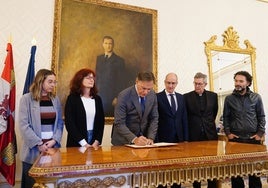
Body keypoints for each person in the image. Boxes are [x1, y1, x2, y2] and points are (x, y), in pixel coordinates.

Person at [18, 69, 64, 188]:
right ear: (40, 81)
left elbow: (59, 123)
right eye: (50, 82)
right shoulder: (26, 99)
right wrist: (39, 143)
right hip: (33, 150)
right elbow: (24, 125)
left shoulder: (55, 99)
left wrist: (54, 140)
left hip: (51, 150)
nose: (53, 85)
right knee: (31, 184)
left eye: (55, 82)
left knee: (50, 184)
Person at [223, 71, 265, 188]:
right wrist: (228, 133)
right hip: (235, 140)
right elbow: (225, 117)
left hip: (253, 139)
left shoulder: (256, 97)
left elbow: (261, 116)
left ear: (248, 83)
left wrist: (260, 133)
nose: (238, 83)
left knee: (254, 172)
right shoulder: (229, 99)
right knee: (236, 173)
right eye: (236, 81)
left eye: (241, 81)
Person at [184, 72, 218, 188]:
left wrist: (206, 125)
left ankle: (212, 185)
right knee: (196, 164)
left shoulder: (213, 96)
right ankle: (196, 185)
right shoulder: (186, 97)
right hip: (194, 136)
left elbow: (214, 113)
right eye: (195, 83)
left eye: (199, 84)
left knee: (212, 164)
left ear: (205, 84)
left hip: (210, 135)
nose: (197, 86)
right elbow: (186, 116)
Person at [111, 71, 158, 146]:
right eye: (143, 88)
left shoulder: (152, 95)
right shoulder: (123, 96)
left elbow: (154, 118)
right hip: (123, 142)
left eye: (149, 89)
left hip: (143, 142)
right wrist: (134, 139)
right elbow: (119, 123)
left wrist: (151, 137)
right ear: (137, 81)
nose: (146, 92)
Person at [65, 68, 105, 149]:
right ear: (80, 79)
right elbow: (70, 123)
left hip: (94, 141)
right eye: (88, 78)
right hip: (76, 141)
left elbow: (101, 122)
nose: (91, 80)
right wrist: (83, 143)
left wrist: (97, 141)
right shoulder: (72, 99)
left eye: (93, 77)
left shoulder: (97, 99)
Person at [95, 35, 126, 117]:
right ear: (103, 44)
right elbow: (97, 77)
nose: (108, 45)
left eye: (110, 43)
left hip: (111, 97)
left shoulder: (119, 61)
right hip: (99, 95)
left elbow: (121, 82)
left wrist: (117, 97)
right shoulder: (99, 58)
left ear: (113, 45)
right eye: (106, 43)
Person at [156, 73, 188, 143]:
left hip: (180, 138)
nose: (170, 86)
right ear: (165, 82)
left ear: (177, 83)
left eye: (173, 83)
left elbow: (184, 119)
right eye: (168, 83)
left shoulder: (181, 97)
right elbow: (154, 120)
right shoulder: (157, 97)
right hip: (163, 138)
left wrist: (186, 138)